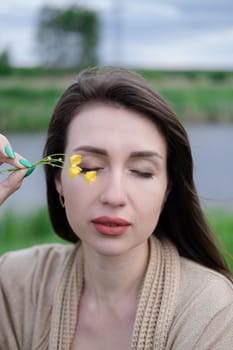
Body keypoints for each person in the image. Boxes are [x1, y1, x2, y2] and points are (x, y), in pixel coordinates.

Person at [0, 66, 233, 350]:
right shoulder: (13, 283)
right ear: (58, 179)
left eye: (142, 171)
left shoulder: (210, 310)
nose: (114, 196)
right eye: (89, 167)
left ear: (167, 188)